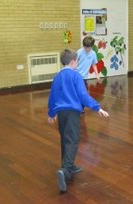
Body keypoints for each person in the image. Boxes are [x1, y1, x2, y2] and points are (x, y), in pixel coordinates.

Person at [47, 48, 109, 192]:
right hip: (72, 113)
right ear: (73, 62)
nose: (77, 65)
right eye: (77, 62)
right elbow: (83, 96)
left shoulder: (57, 77)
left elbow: (53, 96)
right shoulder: (76, 76)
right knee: (73, 140)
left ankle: (68, 164)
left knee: (65, 139)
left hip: (61, 114)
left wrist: (51, 113)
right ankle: (65, 170)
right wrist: (97, 107)